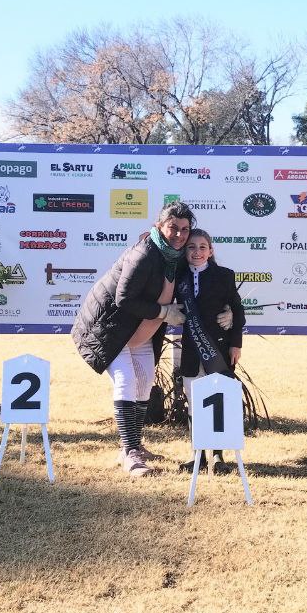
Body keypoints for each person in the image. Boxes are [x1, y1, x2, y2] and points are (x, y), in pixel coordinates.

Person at [71, 201, 194, 477]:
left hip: (141, 332)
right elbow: (124, 299)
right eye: (173, 227)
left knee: (144, 383)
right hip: (111, 330)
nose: (179, 234)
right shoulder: (144, 254)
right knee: (126, 381)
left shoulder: (177, 257)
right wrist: (164, 312)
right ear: (158, 226)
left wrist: (226, 311)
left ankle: (133, 445)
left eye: (185, 229)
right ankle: (130, 454)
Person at [176, 228, 245, 475]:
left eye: (202, 247)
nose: (197, 252)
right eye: (191, 247)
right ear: (185, 251)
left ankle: (218, 456)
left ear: (211, 251)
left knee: (218, 400)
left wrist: (236, 343)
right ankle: (197, 456)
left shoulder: (224, 275)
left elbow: (238, 310)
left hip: (219, 349)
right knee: (193, 403)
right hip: (191, 350)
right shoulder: (177, 276)